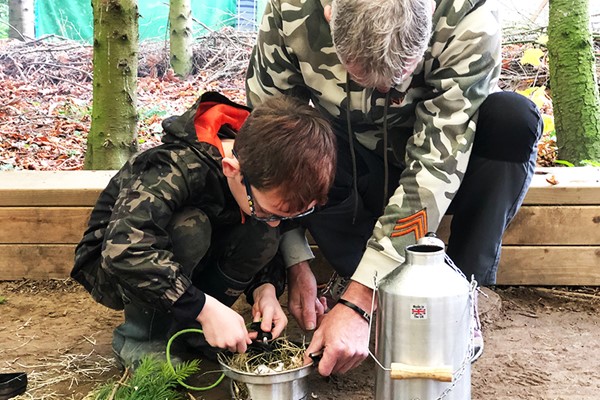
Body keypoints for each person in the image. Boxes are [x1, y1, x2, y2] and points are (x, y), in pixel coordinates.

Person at [246, 0, 543, 376]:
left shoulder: (471, 17)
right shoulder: (289, 8)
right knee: (300, 138)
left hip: (443, 164)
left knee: (512, 121)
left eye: (399, 77)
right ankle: (354, 267)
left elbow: (437, 163)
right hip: (350, 159)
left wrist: (359, 301)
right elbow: (270, 139)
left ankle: (457, 296)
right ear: (329, 12)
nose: (387, 91)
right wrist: (295, 258)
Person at [71, 92, 336, 368]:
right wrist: (202, 308)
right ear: (231, 169)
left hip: (190, 261)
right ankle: (143, 338)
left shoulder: (266, 170)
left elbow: (263, 227)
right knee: (190, 227)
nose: (275, 222)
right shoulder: (176, 166)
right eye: (268, 211)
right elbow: (124, 251)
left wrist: (265, 288)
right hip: (113, 265)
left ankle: (192, 331)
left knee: (263, 234)